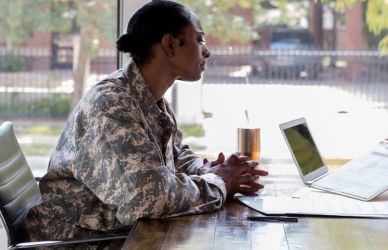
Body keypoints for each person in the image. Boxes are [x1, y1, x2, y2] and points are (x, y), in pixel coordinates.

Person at [25, 1, 268, 249]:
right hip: (81, 242)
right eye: (199, 39)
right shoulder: (112, 106)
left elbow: (173, 154)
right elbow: (146, 198)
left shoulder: (147, 95)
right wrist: (218, 183)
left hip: (119, 232)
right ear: (170, 44)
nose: (207, 51)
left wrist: (205, 168)